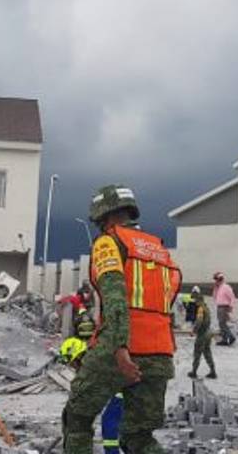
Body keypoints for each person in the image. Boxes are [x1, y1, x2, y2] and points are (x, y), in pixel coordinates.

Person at [62, 185, 182, 454]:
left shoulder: (110, 242)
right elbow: (167, 299)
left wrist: (119, 348)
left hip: (120, 349)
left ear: (103, 216)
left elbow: (115, 299)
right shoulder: (160, 250)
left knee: (77, 418)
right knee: (139, 437)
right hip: (160, 353)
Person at [58, 336, 122, 454]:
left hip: (122, 392)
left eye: (72, 363)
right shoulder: (90, 362)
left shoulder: (93, 364)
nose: (72, 367)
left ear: (78, 356)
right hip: (117, 392)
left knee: (110, 425)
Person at [187, 288, 216, 380]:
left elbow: (199, 320)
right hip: (208, 332)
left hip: (202, 334)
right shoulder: (206, 307)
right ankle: (213, 371)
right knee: (207, 352)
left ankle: (194, 371)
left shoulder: (200, 308)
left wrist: (194, 331)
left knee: (197, 353)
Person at [212, 272, 236, 346]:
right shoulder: (219, 288)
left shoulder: (226, 287)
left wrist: (231, 307)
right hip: (219, 307)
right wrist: (215, 288)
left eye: (216, 280)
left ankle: (230, 337)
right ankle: (225, 339)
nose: (216, 281)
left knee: (222, 323)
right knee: (221, 323)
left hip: (224, 307)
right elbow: (214, 297)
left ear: (220, 279)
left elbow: (232, 297)